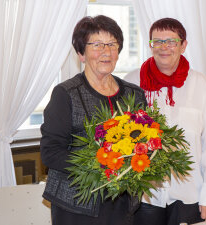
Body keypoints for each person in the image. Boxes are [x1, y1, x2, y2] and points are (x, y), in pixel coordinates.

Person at [40, 15, 147, 225]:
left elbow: (144, 141)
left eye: (112, 44)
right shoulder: (66, 94)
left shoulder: (134, 94)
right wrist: (98, 165)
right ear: (81, 53)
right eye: (97, 45)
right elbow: (50, 152)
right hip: (76, 205)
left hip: (122, 203)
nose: (106, 52)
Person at [124, 17, 206, 225]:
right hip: (144, 195)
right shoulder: (132, 82)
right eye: (157, 41)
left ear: (183, 45)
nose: (164, 48)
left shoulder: (200, 84)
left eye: (171, 41)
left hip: (190, 192)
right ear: (150, 45)